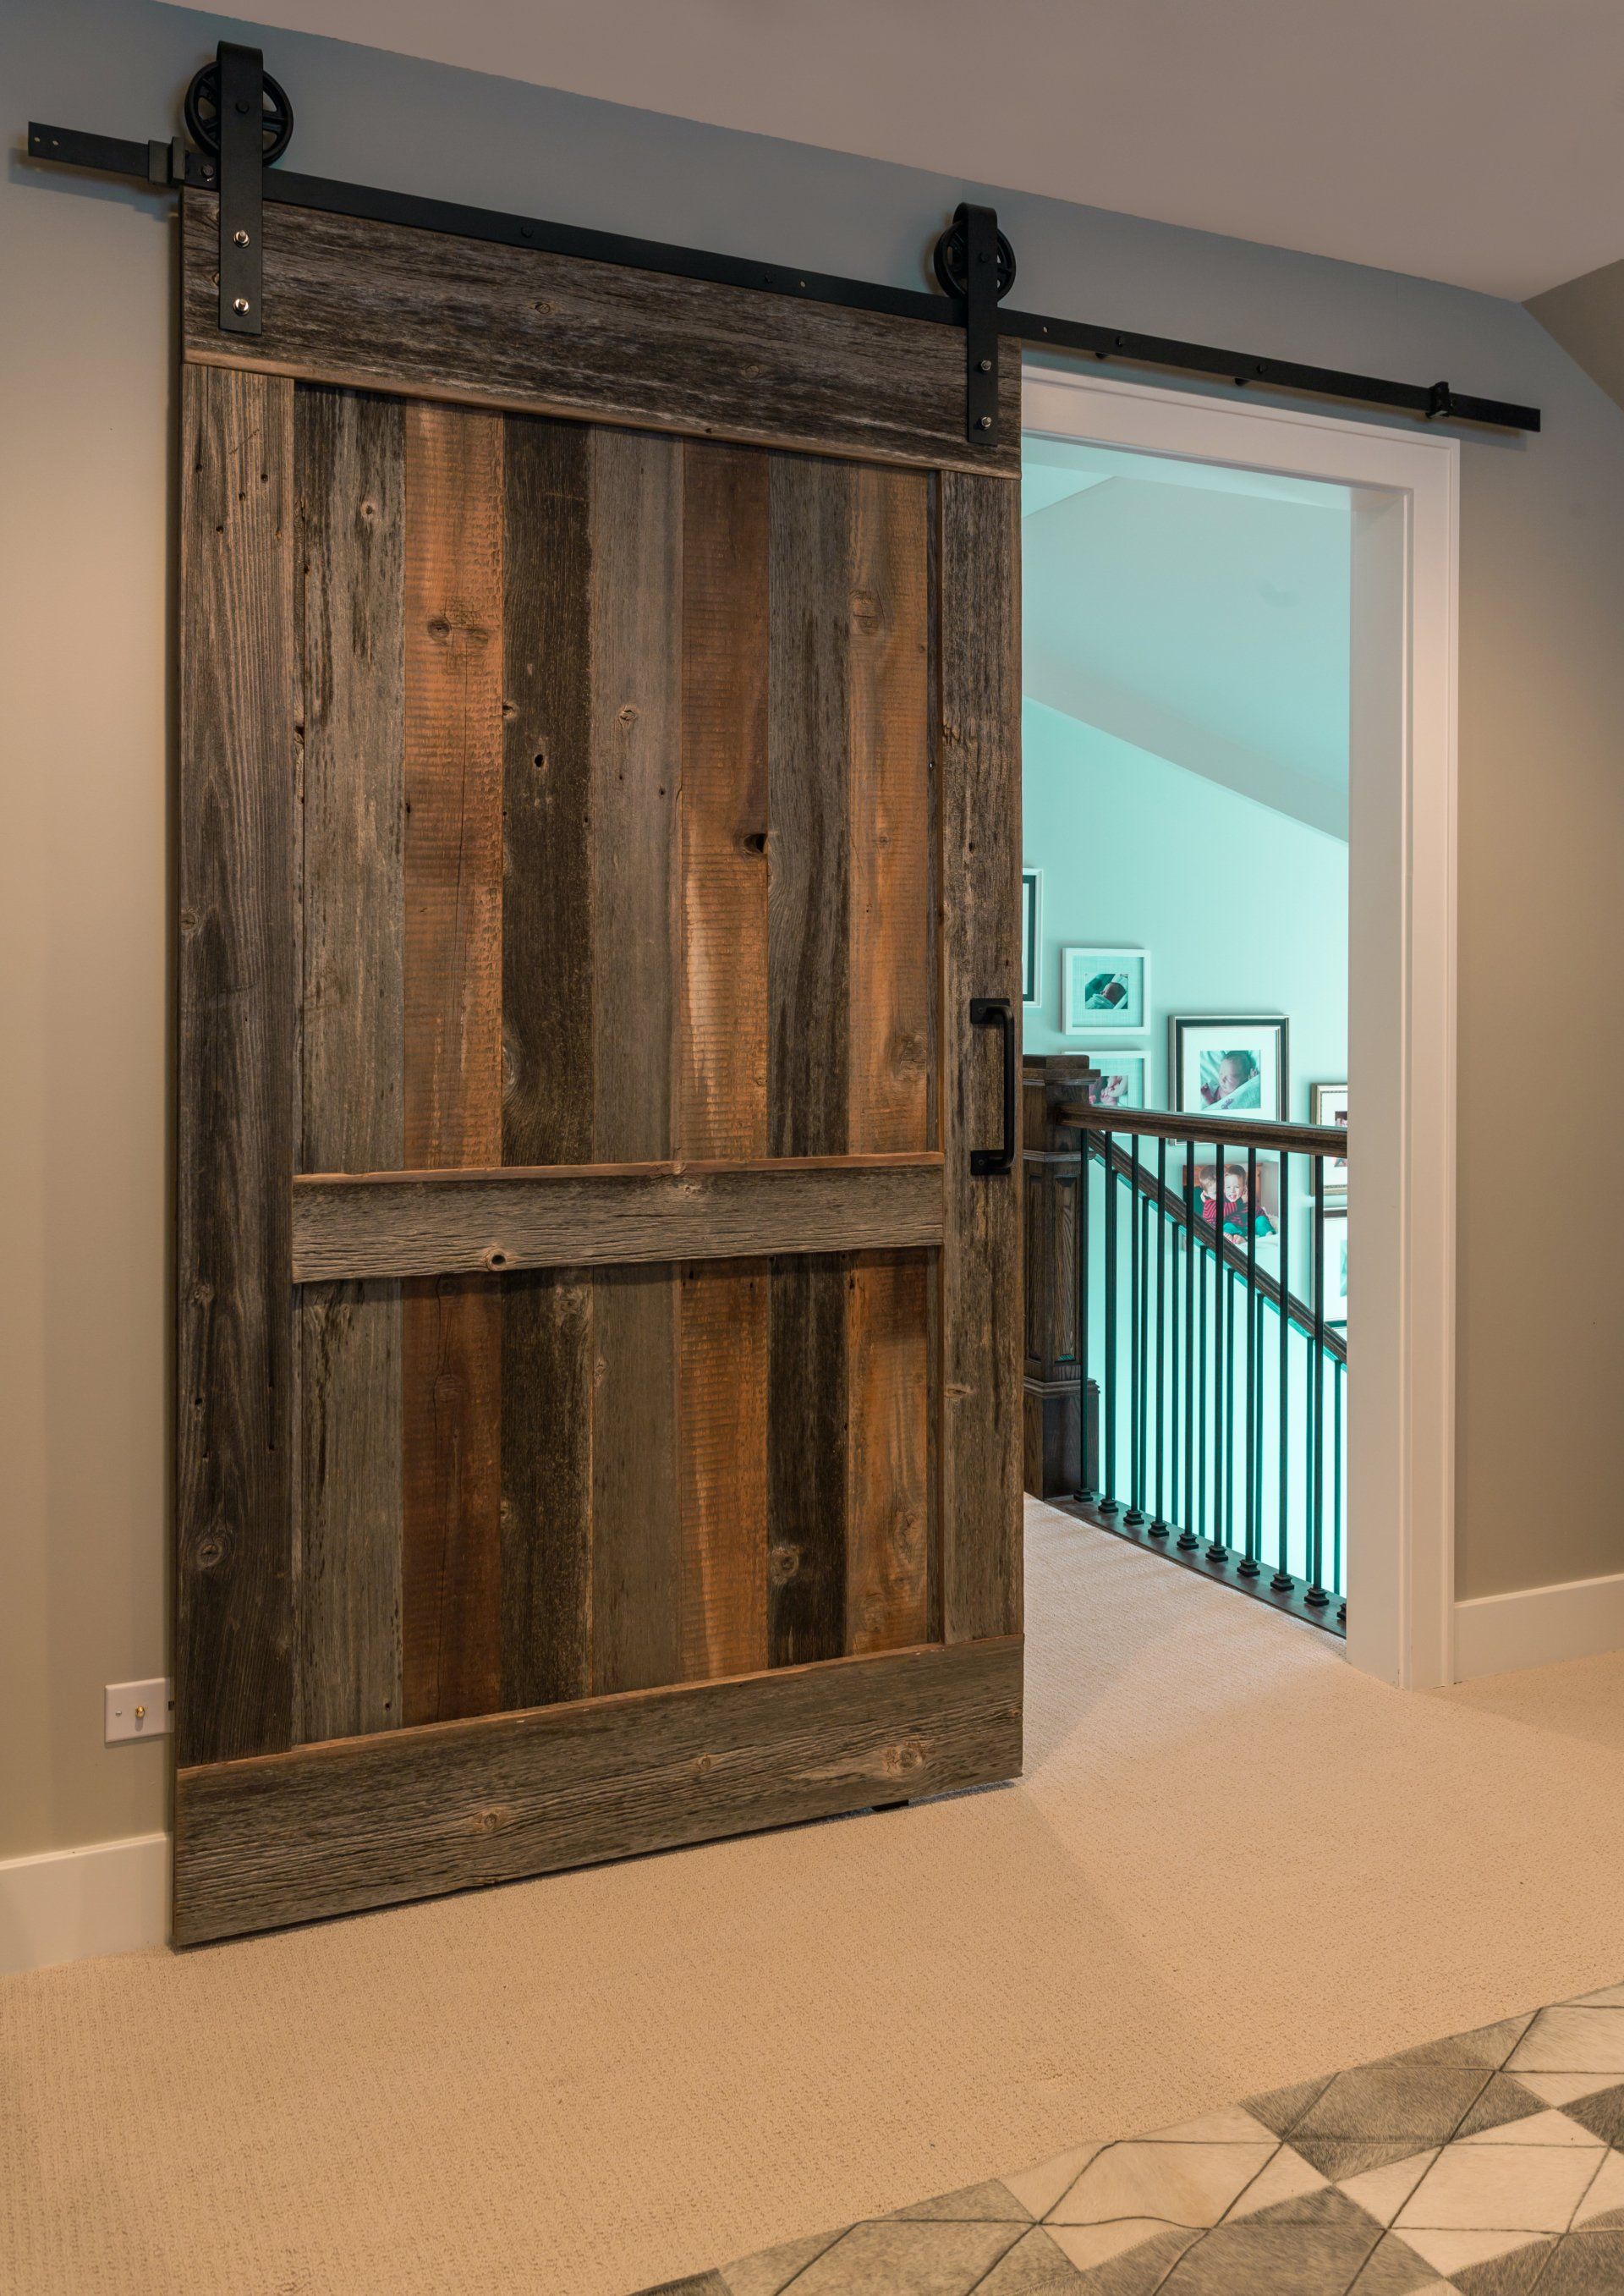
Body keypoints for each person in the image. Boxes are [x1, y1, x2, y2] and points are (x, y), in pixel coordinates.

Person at [1201, 1048, 1262, 1112]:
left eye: (1229, 1077)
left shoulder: (1244, 1087)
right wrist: (1207, 1096)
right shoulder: (1217, 1090)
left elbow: (1251, 1094)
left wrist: (1252, 1082)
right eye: (1221, 1074)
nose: (1223, 1079)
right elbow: (1213, 1107)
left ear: (1245, 1079)